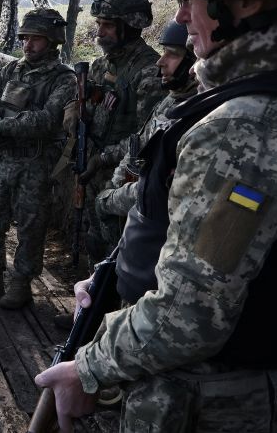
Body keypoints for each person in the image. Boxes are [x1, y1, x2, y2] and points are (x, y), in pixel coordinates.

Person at [35, 0, 277, 432]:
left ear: (246, 0)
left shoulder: (242, 126)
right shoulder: (233, 103)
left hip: (212, 399)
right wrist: (118, 273)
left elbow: (190, 313)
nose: (182, 16)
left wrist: (89, 369)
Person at [54, 20, 198, 330]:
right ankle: (93, 314)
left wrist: (112, 190)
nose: (161, 62)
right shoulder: (170, 100)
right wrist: (74, 107)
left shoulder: (186, 105)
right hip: (113, 177)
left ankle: (106, 324)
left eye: (172, 54)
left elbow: (149, 163)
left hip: (140, 205)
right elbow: (140, 143)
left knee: (126, 269)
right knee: (100, 248)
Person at [0, 8, 76, 308]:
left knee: (30, 226)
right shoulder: (12, 69)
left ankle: (21, 284)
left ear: (52, 41)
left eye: (36, 39)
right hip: (1, 159)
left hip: (34, 163)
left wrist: (1, 127)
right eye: (25, 38)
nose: (28, 45)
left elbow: (47, 119)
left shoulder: (64, 78)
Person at [80, 0, 166, 266]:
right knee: (94, 242)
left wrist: (103, 158)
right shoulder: (99, 66)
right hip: (93, 170)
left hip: (123, 179)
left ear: (129, 26)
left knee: (118, 251)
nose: (99, 31)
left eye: (107, 25)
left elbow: (146, 138)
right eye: (98, 24)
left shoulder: (150, 72)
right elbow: (89, 114)